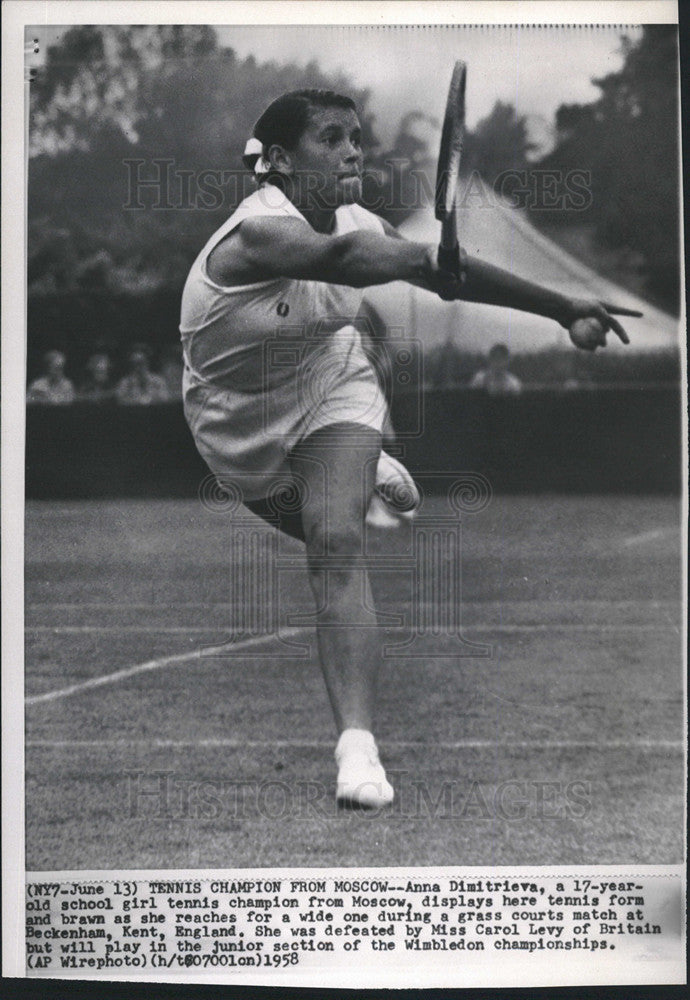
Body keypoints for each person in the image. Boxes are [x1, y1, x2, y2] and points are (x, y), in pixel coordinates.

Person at [180, 89, 636, 809]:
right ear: (277, 162)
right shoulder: (257, 232)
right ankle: (367, 468)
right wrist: (422, 254)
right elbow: (348, 256)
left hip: (332, 384)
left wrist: (562, 306)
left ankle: (357, 750)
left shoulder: (363, 220)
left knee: (335, 540)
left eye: (355, 136)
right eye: (331, 138)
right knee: (325, 525)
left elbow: (436, 276)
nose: (353, 150)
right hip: (233, 426)